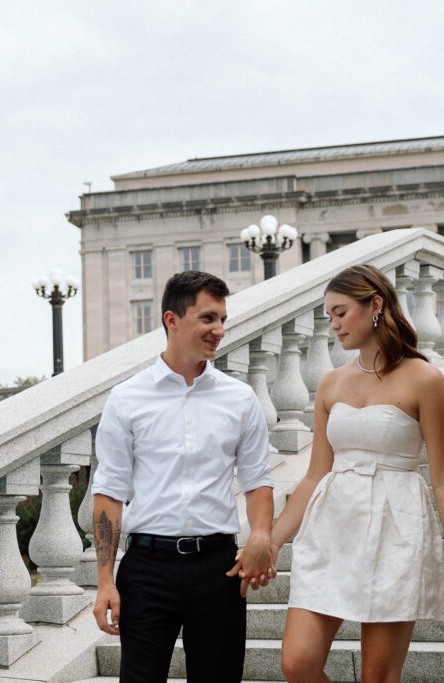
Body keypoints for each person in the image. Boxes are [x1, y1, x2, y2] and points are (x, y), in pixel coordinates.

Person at [269, 263, 444, 683]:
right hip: (333, 528)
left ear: (375, 304)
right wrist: (271, 542)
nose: (334, 325)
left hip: (396, 529)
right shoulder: (329, 383)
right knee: (298, 664)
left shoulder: (425, 379)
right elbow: (313, 476)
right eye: (329, 316)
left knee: (378, 677)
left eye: (341, 312)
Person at [91, 270, 276, 683]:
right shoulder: (127, 399)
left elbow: (257, 478)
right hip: (146, 571)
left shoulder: (240, 398)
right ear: (172, 320)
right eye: (208, 318)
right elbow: (109, 492)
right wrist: (105, 581)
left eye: (222, 319)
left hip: (218, 571)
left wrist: (261, 534)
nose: (220, 330)